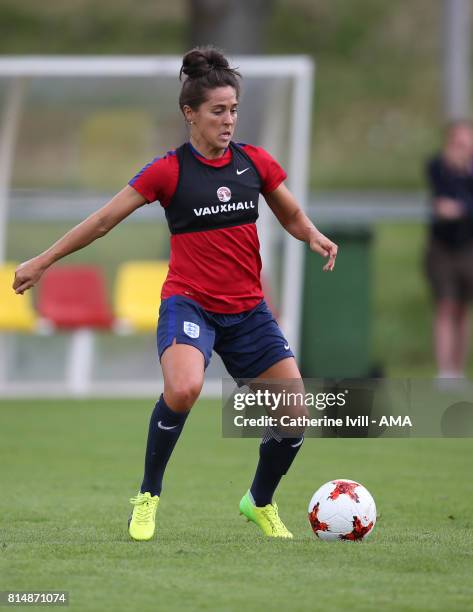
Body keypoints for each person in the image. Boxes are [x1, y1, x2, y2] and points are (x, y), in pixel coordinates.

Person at [13, 47, 338, 540]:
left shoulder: (254, 163)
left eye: (233, 110)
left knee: (294, 418)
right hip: (190, 304)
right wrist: (43, 260)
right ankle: (147, 497)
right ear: (190, 113)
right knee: (184, 389)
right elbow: (103, 221)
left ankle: (260, 502)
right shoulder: (168, 171)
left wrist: (311, 233)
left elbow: (289, 213)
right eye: (217, 111)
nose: (228, 121)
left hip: (249, 311)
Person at [425, 120, 473, 379]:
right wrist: (453, 172)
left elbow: (463, 204)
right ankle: (445, 371)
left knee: (462, 309)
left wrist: (462, 209)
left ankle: (458, 367)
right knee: (445, 304)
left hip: (468, 247)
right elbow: (440, 197)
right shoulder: (438, 168)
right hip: (442, 248)